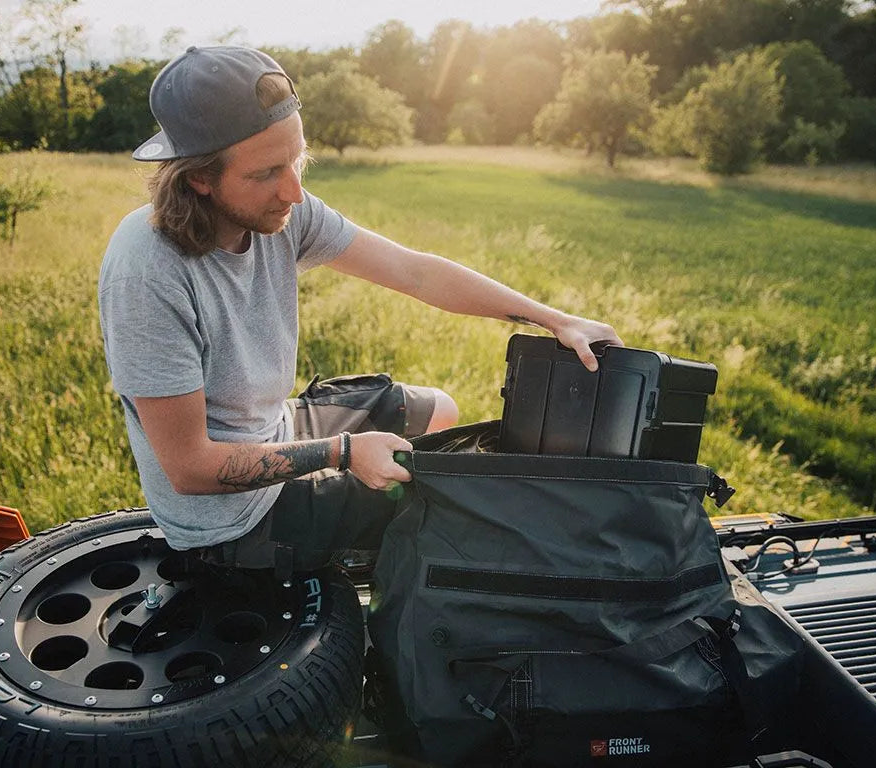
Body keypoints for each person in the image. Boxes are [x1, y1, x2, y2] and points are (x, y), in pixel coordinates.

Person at [99, 45, 622, 571]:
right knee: (471, 506)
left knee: (437, 410)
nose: (295, 192)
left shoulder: (282, 215)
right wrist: (343, 452)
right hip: (232, 522)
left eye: (297, 160)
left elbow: (415, 271)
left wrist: (554, 319)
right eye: (267, 173)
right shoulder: (147, 271)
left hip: (275, 429)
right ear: (199, 178)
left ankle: (375, 546)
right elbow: (188, 468)